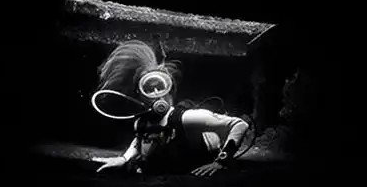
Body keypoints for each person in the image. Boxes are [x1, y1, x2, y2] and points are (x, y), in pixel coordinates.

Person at [91, 40, 251, 177]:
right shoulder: (141, 123)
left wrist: (222, 161)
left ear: (169, 88)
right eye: (149, 89)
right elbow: (139, 140)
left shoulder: (187, 118)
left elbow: (239, 124)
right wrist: (124, 159)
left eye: (160, 87)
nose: (156, 93)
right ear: (139, 94)